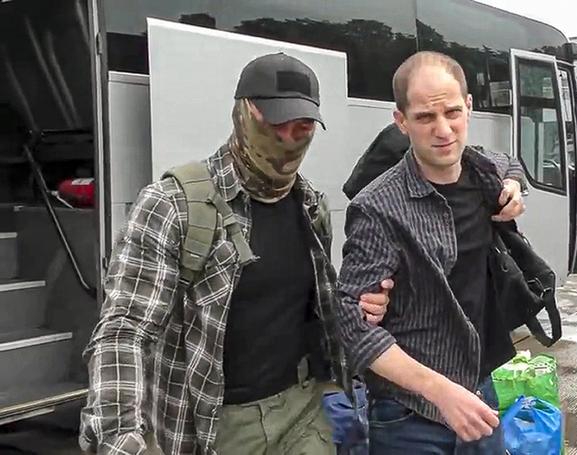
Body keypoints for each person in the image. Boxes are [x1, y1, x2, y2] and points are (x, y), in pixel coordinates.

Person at [79, 53, 390, 455]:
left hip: (303, 413)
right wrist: (120, 435)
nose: (290, 138)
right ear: (245, 113)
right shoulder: (172, 205)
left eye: (303, 126)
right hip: (216, 428)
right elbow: (125, 328)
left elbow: (319, 310)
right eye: (277, 123)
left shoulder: (311, 205)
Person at [335, 51, 529, 454]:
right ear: (401, 121)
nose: (444, 130)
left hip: (479, 393)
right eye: (425, 117)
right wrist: (440, 391)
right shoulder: (377, 207)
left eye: (453, 113)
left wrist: (514, 184)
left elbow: (508, 161)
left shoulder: (483, 172)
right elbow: (353, 324)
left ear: (469, 107)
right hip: (411, 415)